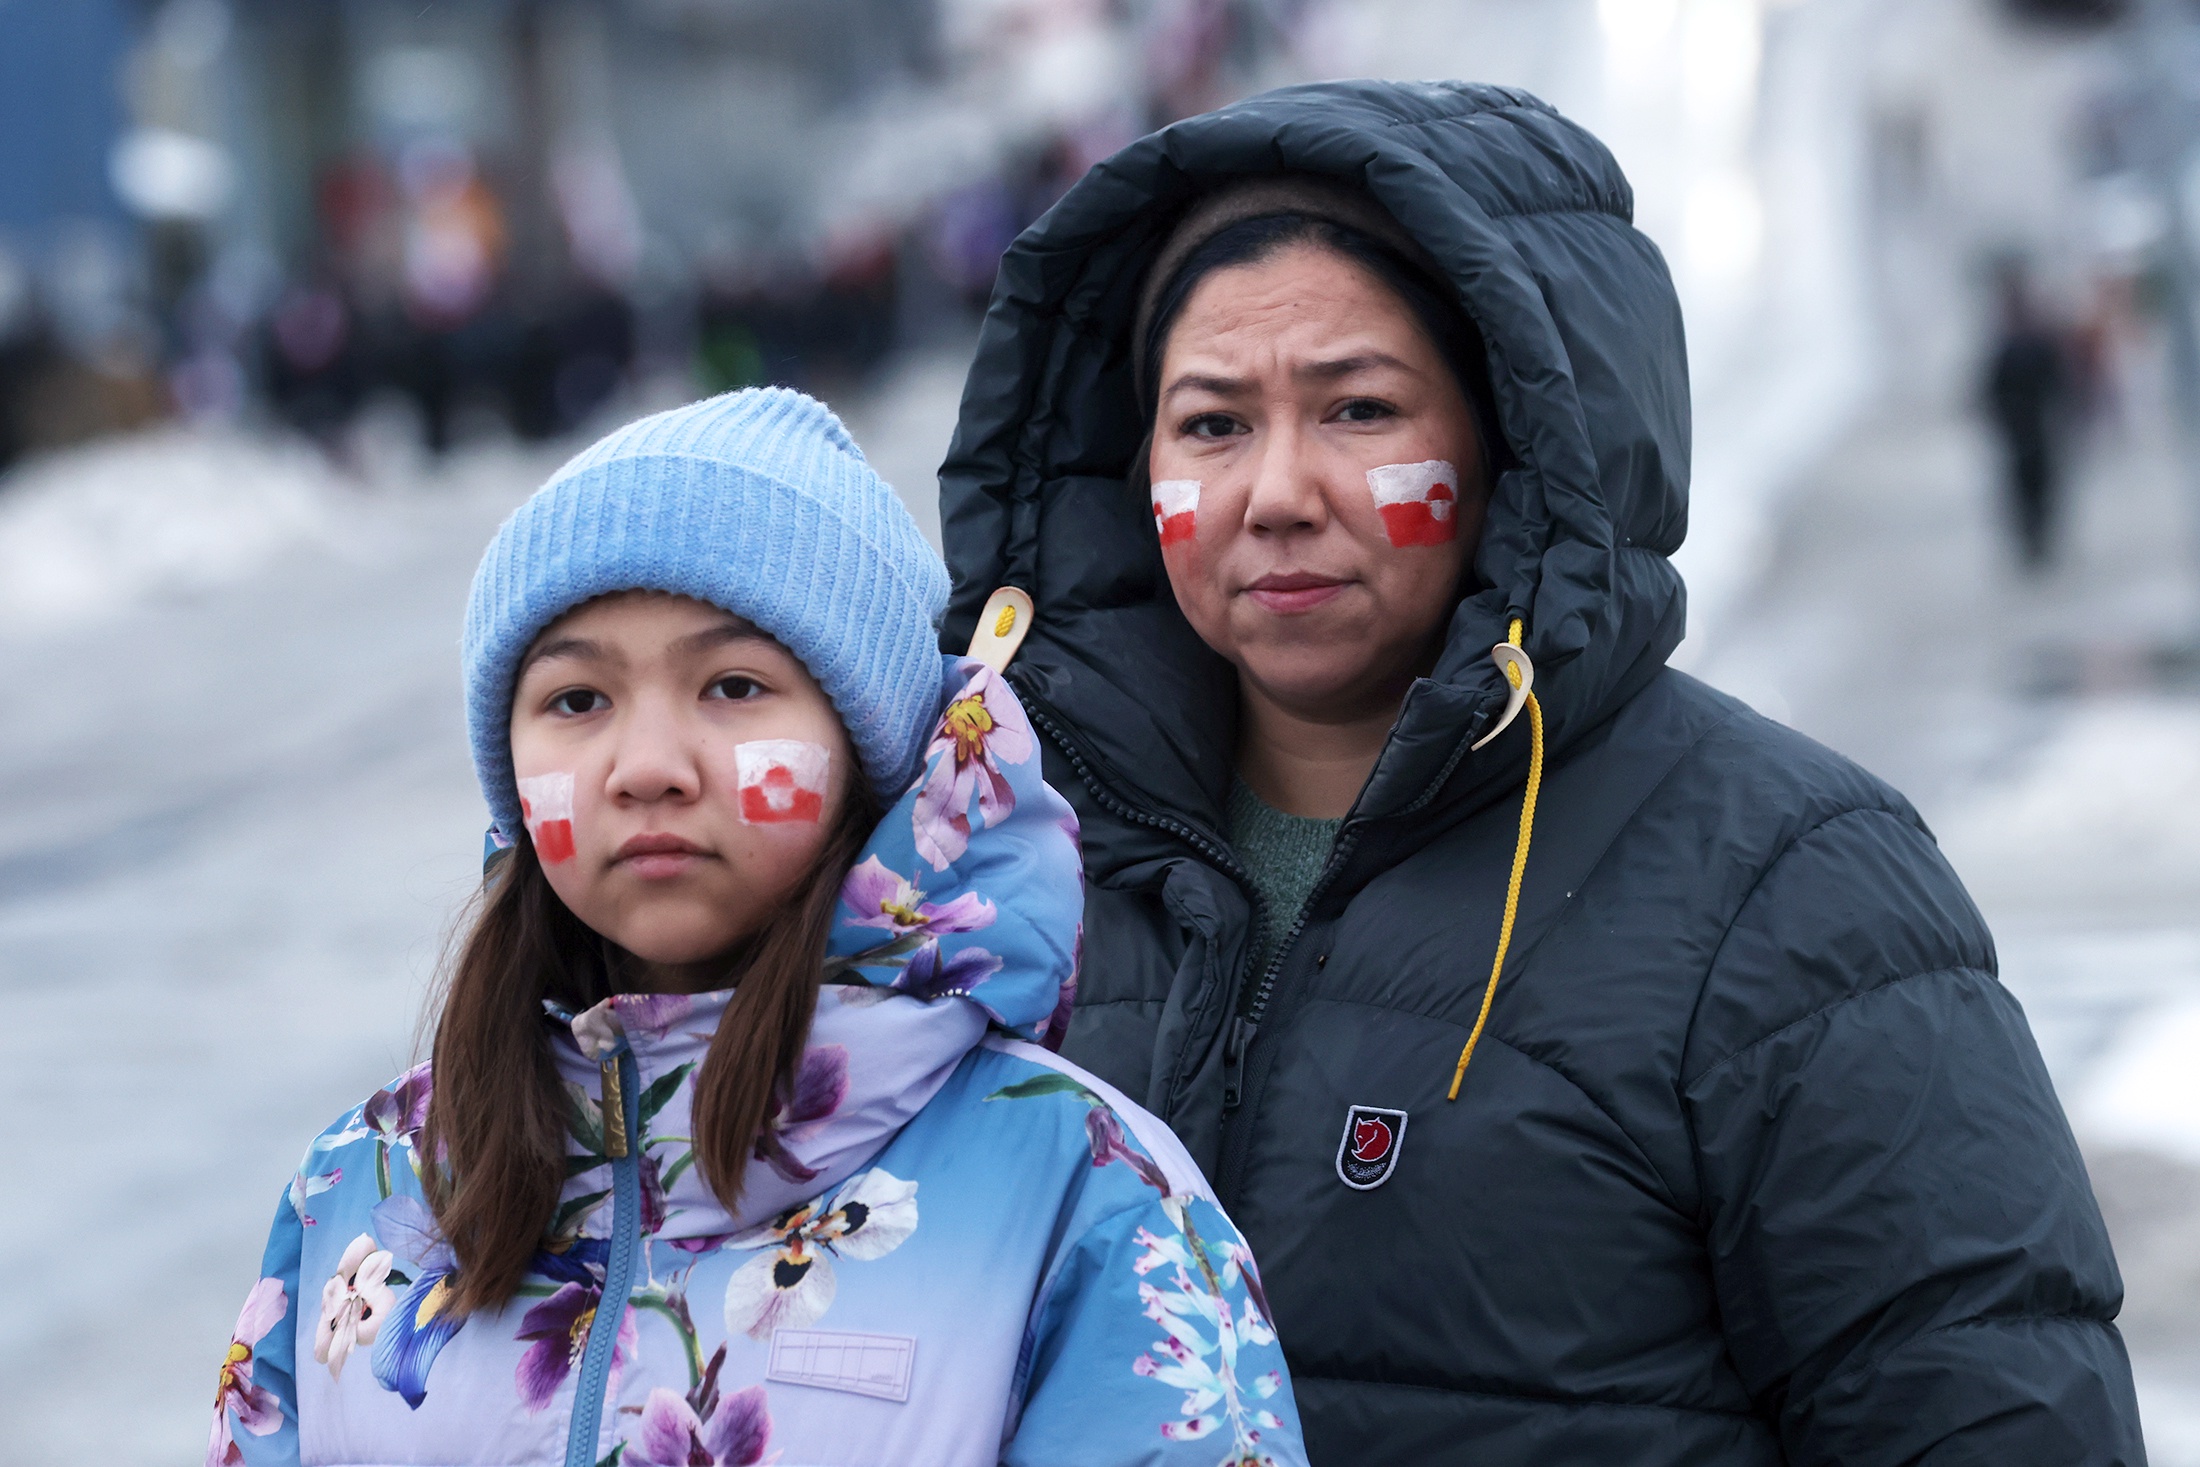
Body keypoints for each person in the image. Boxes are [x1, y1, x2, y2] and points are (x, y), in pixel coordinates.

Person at [939, 81, 2142, 1464]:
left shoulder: (1794, 889)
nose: (1275, 490)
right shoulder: (982, 864)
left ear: (1519, 445)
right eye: (1211, 424)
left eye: (1360, 408)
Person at [207, 388, 1306, 1467]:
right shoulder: (357, 1190)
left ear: (872, 756)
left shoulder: (1086, 1192)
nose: (645, 768)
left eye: (733, 686)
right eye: (575, 701)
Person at [1984, 258, 2072, 571]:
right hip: (2021, 428)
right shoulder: (2007, 345)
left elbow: (2058, 381)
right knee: (2025, 489)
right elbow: (1990, 388)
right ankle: (2032, 543)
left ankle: (2040, 541)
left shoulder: (2033, 341)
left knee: (2039, 487)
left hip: (2036, 427)